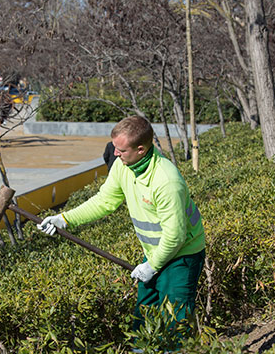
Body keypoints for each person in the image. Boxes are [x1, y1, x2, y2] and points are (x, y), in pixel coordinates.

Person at [39, 115, 205, 334]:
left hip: (182, 255)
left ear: (141, 150)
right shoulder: (123, 166)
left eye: (121, 150)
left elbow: (175, 236)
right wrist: (65, 219)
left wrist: (152, 266)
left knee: (174, 319)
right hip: (156, 251)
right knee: (145, 315)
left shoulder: (166, 181)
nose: (115, 154)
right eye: (114, 147)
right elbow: (104, 201)